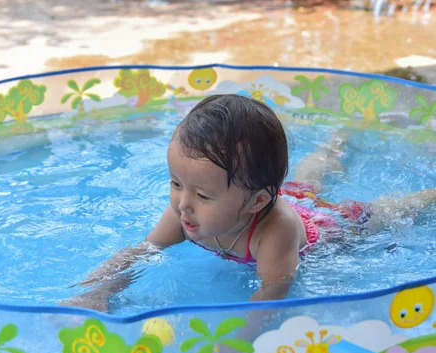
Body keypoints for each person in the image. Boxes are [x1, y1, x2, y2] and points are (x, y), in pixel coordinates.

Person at [62, 94, 436, 313]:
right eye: (176, 184)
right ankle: (333, 144)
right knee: (302, 182)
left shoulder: (276, 232)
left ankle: (419, 190)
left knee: (382, 214)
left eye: (202, 195)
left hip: (323, 225)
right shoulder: (184, 210)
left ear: (257, 200)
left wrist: (241, 340)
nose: (183, 204)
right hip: (276, 194)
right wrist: (98, 290)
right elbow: (141, 252)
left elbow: (272, 291)